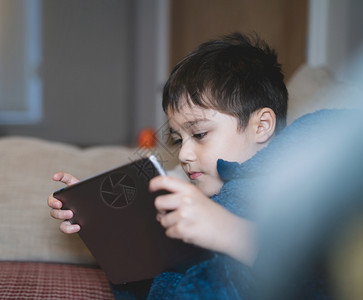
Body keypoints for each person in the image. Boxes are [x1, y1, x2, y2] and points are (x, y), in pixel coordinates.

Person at [48, 32, 288, 299]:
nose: (184, 154)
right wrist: (106, 227)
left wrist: (226, 230)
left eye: (199, 134)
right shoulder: (200, 198)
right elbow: (158, 283)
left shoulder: (290, 192)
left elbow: (308, 266)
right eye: (177, 139)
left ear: (262, 126)